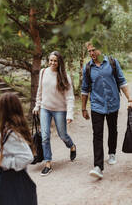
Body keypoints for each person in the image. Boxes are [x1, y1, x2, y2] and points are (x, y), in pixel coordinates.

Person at [81, 42, 132, 179]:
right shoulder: (87, 68)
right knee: (97, 134)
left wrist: (130, 99)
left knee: (112, 129)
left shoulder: (112, 62)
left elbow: (122, 81)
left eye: (93, 50)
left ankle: (112, 152)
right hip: (97, 105)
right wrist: (83, 108)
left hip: (113, 103)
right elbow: (84, 89)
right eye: (89, 51)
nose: (91, 53)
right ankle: (98, 166)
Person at [0, 93, 37, 205]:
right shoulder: (7, 130)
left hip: (10, 184)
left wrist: (6, 163)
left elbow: (27, 157)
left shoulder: (11, 134)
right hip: (5, 181)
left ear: (5, 111)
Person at [33, 51, 76, 176]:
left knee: (62, 135)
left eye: (55, 61)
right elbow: (39, 91)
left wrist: (70, 114)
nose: (52, 63)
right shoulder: (43, 72)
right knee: (45, 136)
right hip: (45, 108)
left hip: (60, 110)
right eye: (50, 60)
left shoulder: (64, 76)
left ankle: (72, 146)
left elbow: (70, 97)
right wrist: (37, 105)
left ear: (59, 62)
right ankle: (48, 163)